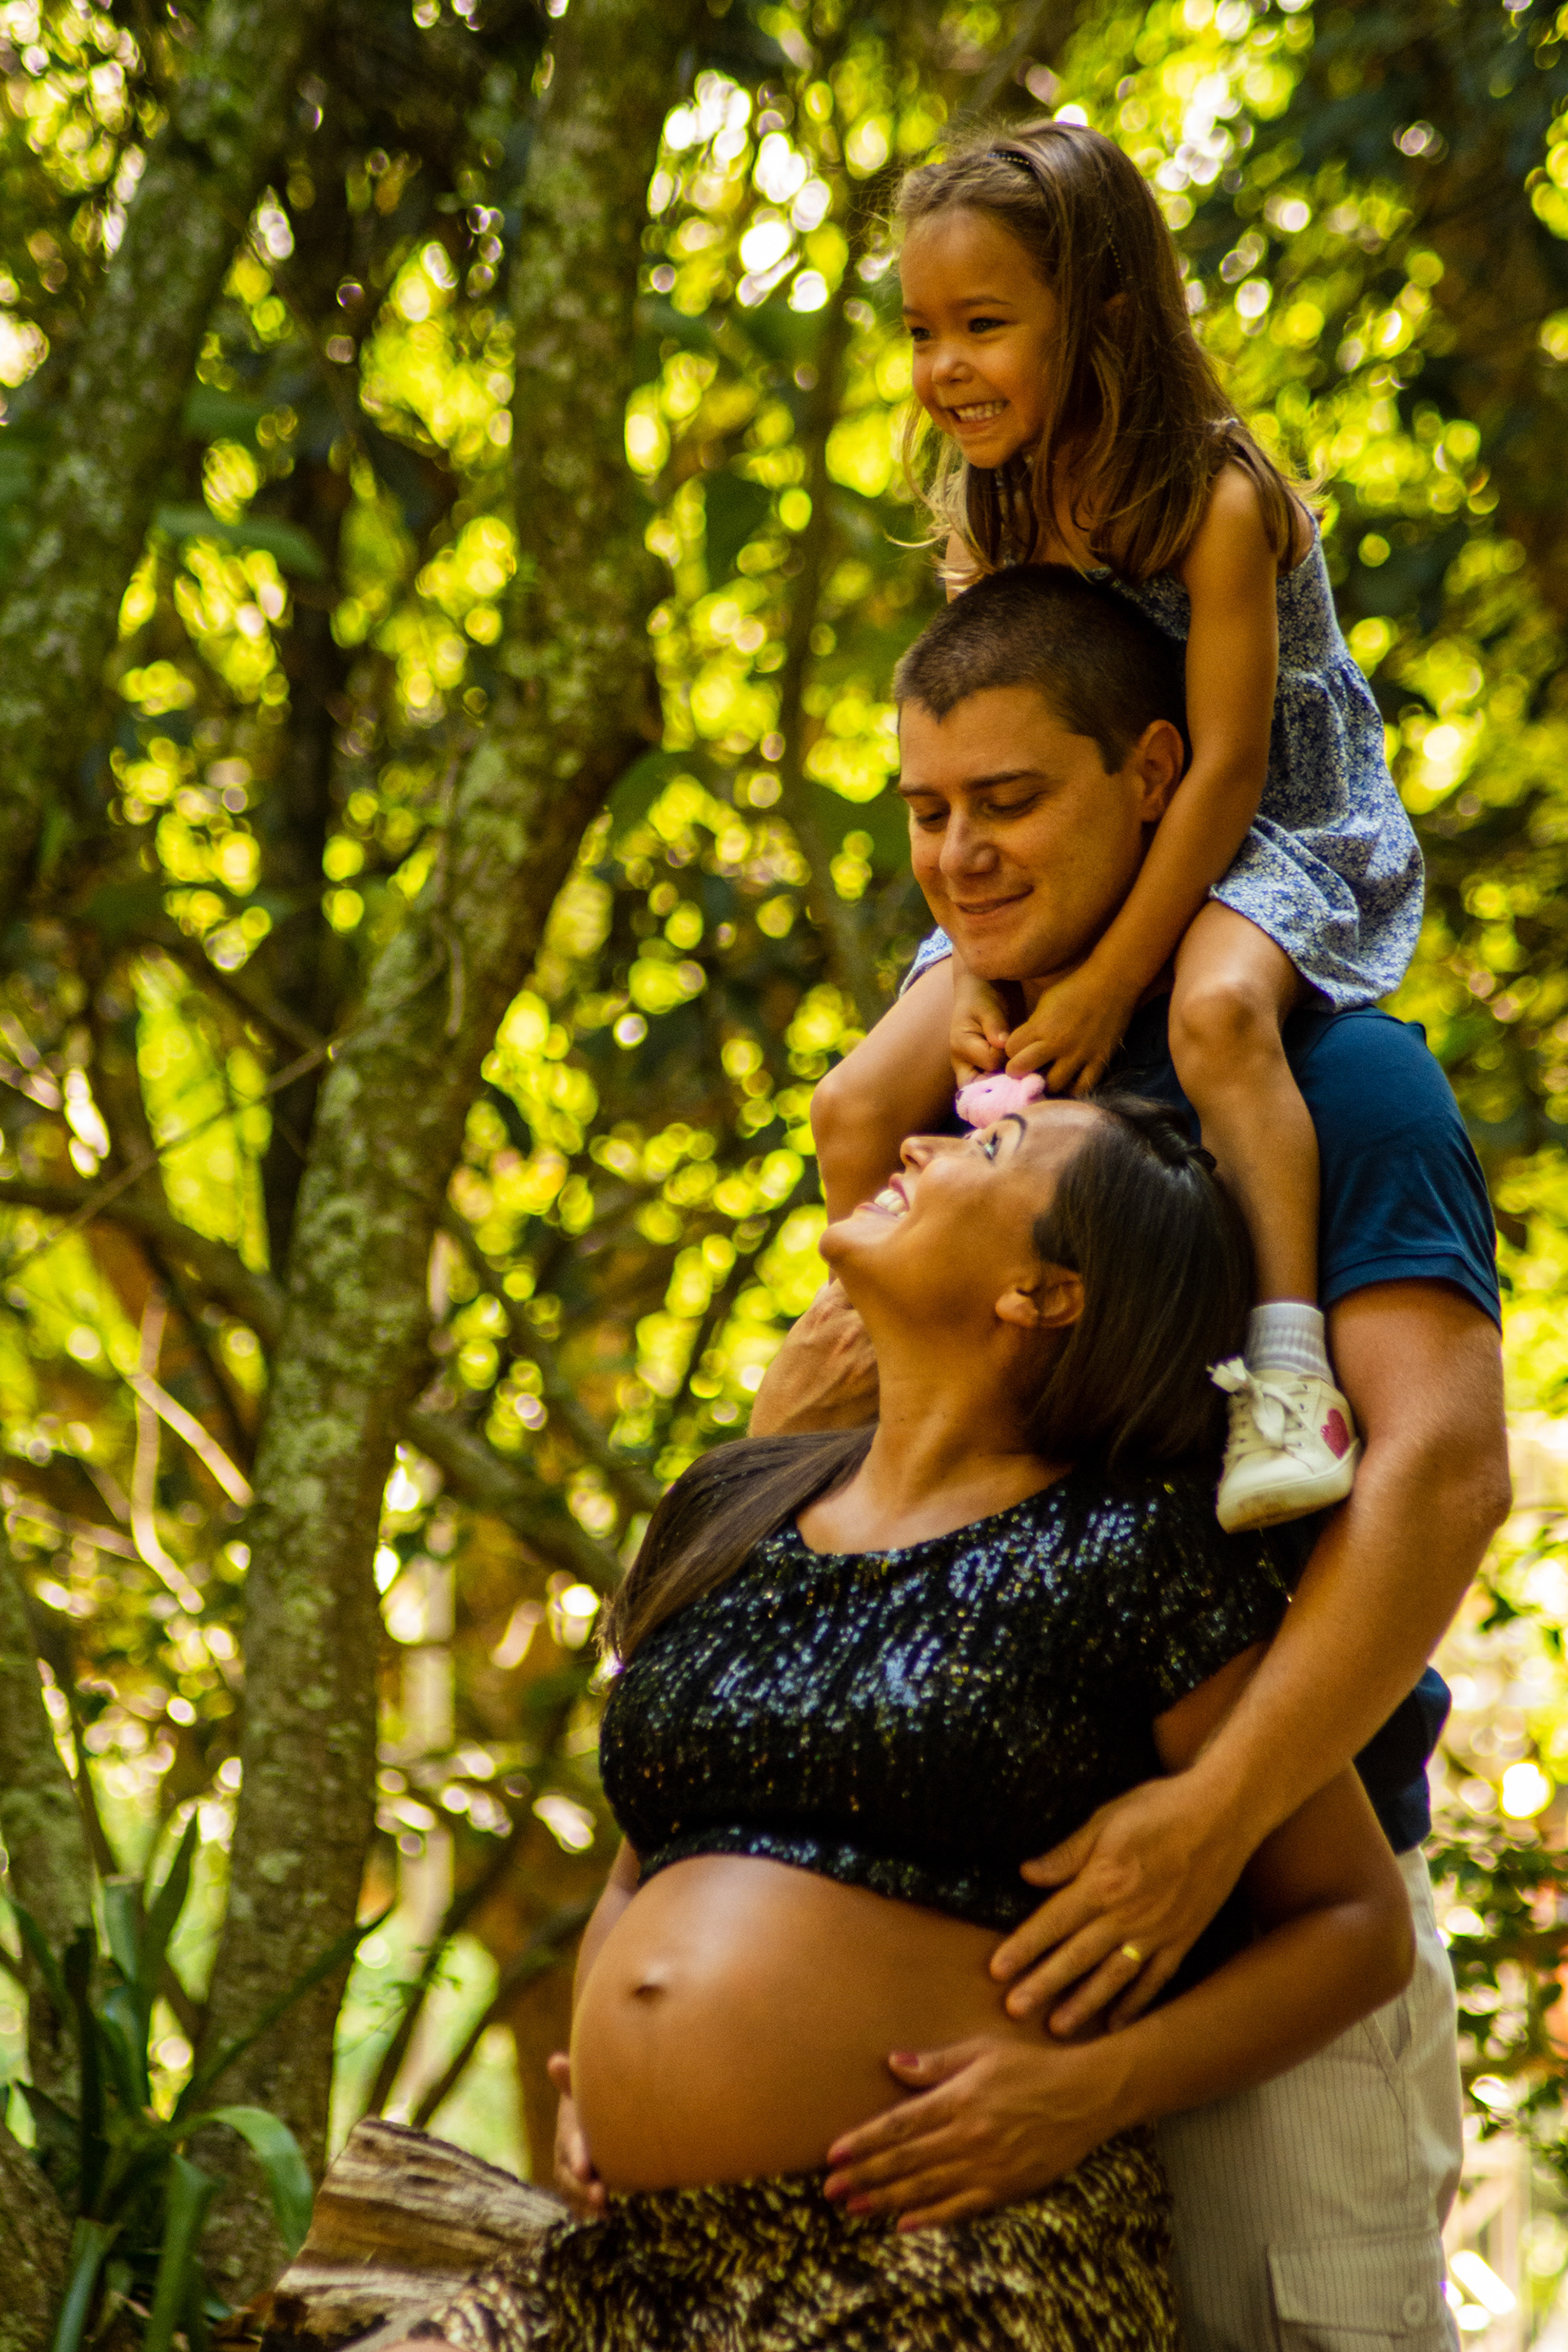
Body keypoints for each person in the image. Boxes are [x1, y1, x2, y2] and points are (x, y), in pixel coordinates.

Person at [386, 1094, 1410, 2352]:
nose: (920, 1144)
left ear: (1045, 1292)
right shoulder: (733, 1503)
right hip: (636, 2259)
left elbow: (1355, 1928)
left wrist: (1094, 2093)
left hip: (950, 2258)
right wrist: (598, 2080)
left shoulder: (1135, 1550)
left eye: (984, 1148)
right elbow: (644, 1857)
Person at [800, 564, 1510, 2346]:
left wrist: (1213, 1818)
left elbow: (1439, 1482)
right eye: (927, 813)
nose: (958, 860)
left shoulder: (1343, 1087)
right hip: (976, 1936)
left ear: (1159, 776)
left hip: (1282, 1915)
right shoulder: (968, 1114)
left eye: (1011, 803)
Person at [839, 118, 1427, 1534]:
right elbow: (998, 732)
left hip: (1277, 821)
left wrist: (1103, 986)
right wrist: (984, 967)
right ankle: (884, 1389)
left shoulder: (1211, 498)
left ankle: (1286, 1374)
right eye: (924, 332)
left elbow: (1226, 769)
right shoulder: (1005, 489)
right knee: (858, 1100)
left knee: (1219, 1017)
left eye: (984, 325)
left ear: (1101, 315)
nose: (945, 370)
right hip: (1092, 827)